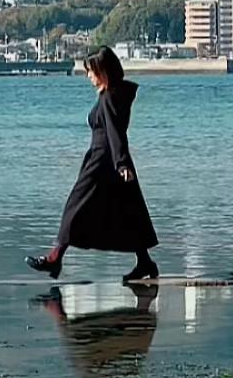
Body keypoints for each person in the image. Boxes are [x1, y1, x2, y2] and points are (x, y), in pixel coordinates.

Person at [27, 45, 159, 283]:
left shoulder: (109, 98)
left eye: (90, 71)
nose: (88, 75)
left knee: (74, 207)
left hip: (102, 160)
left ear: (103, 71)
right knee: (128, 211)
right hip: (112, 159)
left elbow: (115, 132)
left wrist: (121, 164)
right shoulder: (115, 94)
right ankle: (144, 262)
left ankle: (55, 258)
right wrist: (122, 163)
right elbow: (116, 132)